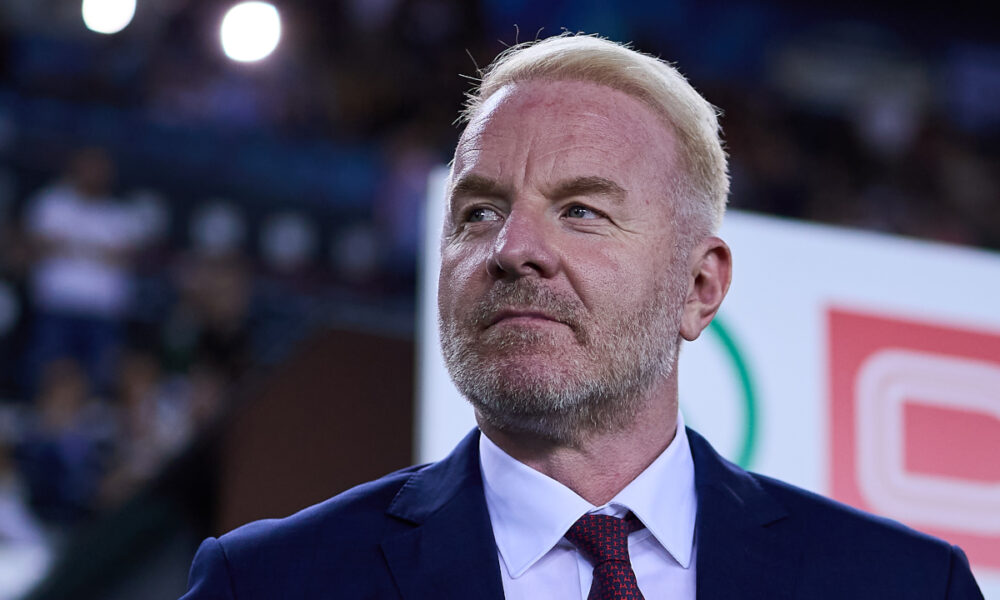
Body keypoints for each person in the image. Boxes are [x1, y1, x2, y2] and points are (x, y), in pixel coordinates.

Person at [181, 34, 984, 599]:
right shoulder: (267, 584)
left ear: (700, 287)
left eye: (583, 211)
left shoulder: (906, 586)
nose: (513, 248)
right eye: (478, 212)